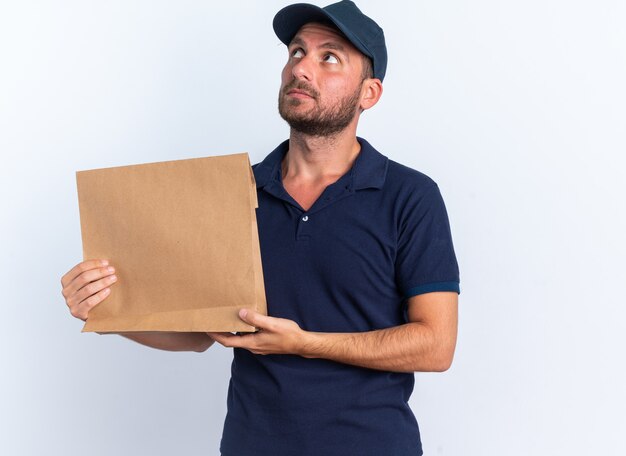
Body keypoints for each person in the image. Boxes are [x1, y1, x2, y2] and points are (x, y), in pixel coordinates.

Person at [60, 1, 460, 455]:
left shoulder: (410, 196)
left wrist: (305, 344)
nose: (302, 68)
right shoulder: (234, 192)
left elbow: (435, 345)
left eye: (329, 57)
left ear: (369, 93)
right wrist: (108, 311)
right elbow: (196, 335)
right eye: (296, 52)